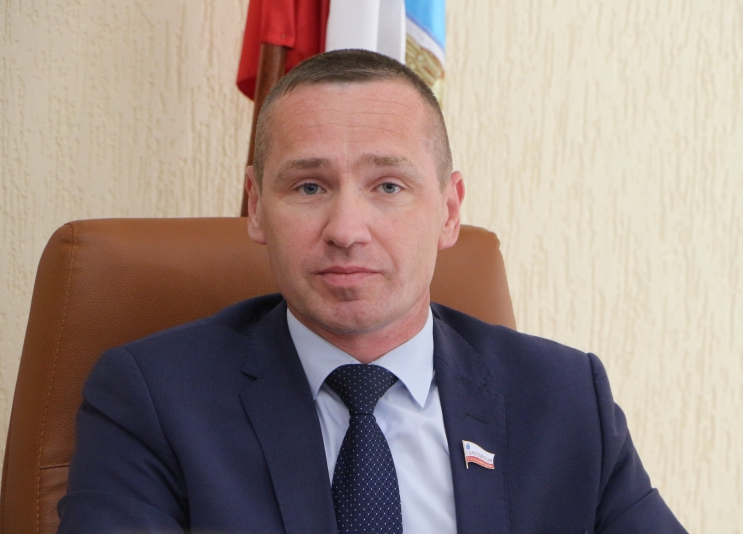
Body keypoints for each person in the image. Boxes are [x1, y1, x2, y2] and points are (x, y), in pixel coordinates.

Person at [58, 49, 687, 533]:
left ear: (449, 210)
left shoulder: (566, 399)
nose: (346, 230)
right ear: (255, 207)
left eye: (388, 186)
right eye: (309, 187)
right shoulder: (154, 399)